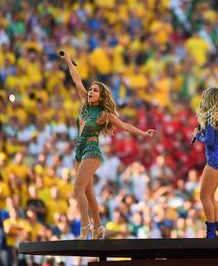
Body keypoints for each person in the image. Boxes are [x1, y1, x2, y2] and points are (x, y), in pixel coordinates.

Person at [60, 51, 155, 239]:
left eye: (95, 90)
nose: (90, 92)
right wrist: (69, 61)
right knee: (88, 193)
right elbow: (77, 80)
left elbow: (125, 125)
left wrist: (143, 133)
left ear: (101, 96)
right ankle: (98, 227)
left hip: (92, 150)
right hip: (79, 151)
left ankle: (85, 225)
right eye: (91, 89)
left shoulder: (104, 113)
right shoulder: (85, 106)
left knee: (78, 187)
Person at [192, 69, 218, 238]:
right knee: (211, 196)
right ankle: (217, 229)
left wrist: (197, 135)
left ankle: (211, 232)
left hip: (214, 159)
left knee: (204, 196)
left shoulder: (209, 117)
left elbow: (209, 141)